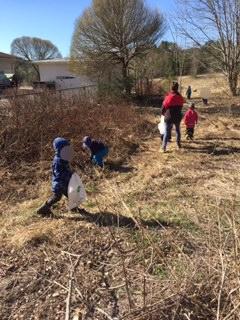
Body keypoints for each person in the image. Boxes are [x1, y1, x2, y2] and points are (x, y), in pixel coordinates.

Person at [37, 137, 73, 217]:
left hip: (63, 182)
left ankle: (74, 207)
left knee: (67, 195)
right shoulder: (58, 161)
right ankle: (44, 209)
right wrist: (69, 175)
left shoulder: (63, 158)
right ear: (60, 149)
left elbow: (66, 169)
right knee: (60, 196)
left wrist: (70, 173)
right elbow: (59, 174)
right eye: (65, 148)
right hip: (59, 183)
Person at [161, 82, 185, 152]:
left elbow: (163, 107)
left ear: (171, 88)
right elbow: (181, 106)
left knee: (167, 132)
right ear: (177, 88)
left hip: (169, 116)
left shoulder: (168, 97)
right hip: (177, 116)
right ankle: (178, 144)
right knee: (177, 130)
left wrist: (163, 114)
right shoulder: (180, 97)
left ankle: (163, 148)